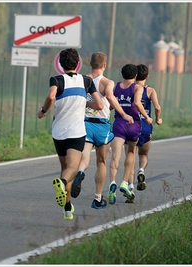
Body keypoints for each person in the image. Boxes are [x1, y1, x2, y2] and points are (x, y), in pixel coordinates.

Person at [37, 48, 103, 220]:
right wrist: (83, 103)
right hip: (76, 132)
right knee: (72, 168)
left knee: (64, 168)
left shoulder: (56, 79)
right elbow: (100, 105)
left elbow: (51, 96)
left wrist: (43, 110)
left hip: (58, 132)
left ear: (60, 64)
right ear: (78, 64)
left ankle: (67, 208)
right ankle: (63, 183)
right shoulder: (87, 81)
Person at [69, 52, 134, 209]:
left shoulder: (80, 80)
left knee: (84, 159)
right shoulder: (107, 82)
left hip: (83, 123)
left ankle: (80, 172)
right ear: (104, 65)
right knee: (101, 161)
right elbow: (111, 98)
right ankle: (97, 198)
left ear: (90, 64)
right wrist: (124, 114)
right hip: (101, 125)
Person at [108, 64, 152, 204]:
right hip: (134, 124)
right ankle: (124, 182)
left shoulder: (117, 87)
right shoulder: (137, 88)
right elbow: (138, 103)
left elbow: (110, 105)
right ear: (135, 76)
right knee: (131, 153)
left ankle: (112, 182)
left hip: (119, 123)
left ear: (122, 74)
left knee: (115, 155)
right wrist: (147, 117)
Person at [125, 64, 162, 198]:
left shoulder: (130, 89)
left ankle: (130, 187)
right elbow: (157, 107)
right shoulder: (150, 91)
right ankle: (141, 170)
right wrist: (158, 119)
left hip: (130, 126)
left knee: (130, 156)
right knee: (144, 155)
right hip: (146, 127)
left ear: (134, 76)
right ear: (147, 76)